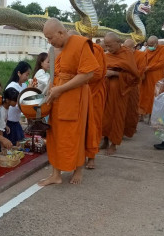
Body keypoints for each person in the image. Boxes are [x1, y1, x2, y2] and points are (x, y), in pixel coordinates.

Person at [38, 18, 99, 186]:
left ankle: (78, 169)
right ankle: (55, 174)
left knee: (74, 134)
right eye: (47, 38)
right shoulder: (53, 50)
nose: (49, 42)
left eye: (50, 37)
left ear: (61, 32)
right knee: (54, 135)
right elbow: (53, 75)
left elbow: (88, 74)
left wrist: (61, 89)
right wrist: (49, 93)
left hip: (74, 97)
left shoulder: (80, 44)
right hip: (56, 97)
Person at [101, 33, 140, 155]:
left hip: (122, 92)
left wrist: (115, 74)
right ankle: (105, 141)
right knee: (105, 117)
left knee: (117, 117)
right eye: (106, 46)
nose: (108, 49)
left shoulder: (127, 55)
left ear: (118, 43)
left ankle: (114, 144)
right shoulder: (106, 55)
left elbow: (134, 77)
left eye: (110, 45)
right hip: (107, 91)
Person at [86, 39, 107, 169]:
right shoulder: (62, 50)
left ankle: (91, 157)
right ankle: (79, 154)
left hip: (95, 93)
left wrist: (77, 76)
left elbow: (97, 73)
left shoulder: (95, 50)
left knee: (93, 125)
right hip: (75, 92)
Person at [139, 36, 164, 122]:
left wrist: (149, 67)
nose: (150, 46)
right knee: (143, 95)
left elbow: (162, 63)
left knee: (154, 96)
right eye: (149, 45)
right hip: (146, 77)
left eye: (152, 44)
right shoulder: (147, 51)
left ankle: (151, 116)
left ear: (156, 43)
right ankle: (141, 114)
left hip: (155, 76)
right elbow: (143, 60)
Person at [5, 61, 35, 145]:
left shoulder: (23, 85)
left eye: (28, 75)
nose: (27, 77)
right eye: (26, 74)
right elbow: (20, 104)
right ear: (19, 73)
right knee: (14, 144)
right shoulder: (12, 86)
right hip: (10, 121)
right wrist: (28, 91)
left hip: (16, 120)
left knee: (20, 144)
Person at [123, 39, 147, 138]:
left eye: (128, 48)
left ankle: (129, 129)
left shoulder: (141, 56)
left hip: (134, 85)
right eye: (125, 48)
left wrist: (126, 75)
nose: (126, 50)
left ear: (135, 47)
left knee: (131, 109)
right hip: (121, 85)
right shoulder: (121, 54)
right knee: (120, 110)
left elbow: (140, 72)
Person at [0, 87, 19, 155]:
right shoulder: (1, 110)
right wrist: (2, 145)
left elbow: (2, 122)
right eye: (15, 101)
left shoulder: (6, 107)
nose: (16, 103)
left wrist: (5, 125)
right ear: (7, 100)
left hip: (0, 128)